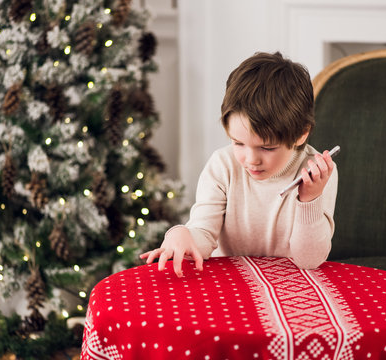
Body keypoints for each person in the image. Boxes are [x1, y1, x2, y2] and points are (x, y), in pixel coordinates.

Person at [140, 51, 338, 277]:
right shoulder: (222, 166)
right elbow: (203, 234)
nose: (251, 159)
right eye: (238, 143)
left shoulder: (317, 174)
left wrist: (310, 199)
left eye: (267, 147)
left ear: (301, 134)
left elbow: (309, 261)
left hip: (294, 289)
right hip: (230, 285)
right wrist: (183, 235)